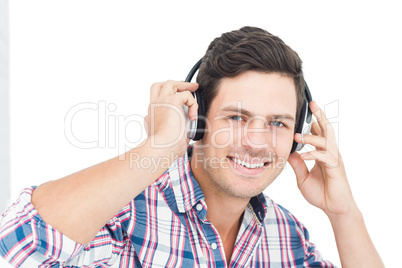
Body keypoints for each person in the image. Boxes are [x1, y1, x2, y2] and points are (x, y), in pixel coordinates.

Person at [0, 26, 383, 267]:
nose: (256, 141)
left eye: (277, 123)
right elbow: (16, 248)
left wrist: (343, 213)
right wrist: (158, 149)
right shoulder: (125, 217)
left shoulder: (287, 235)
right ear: (196, 121)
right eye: (236, 117)